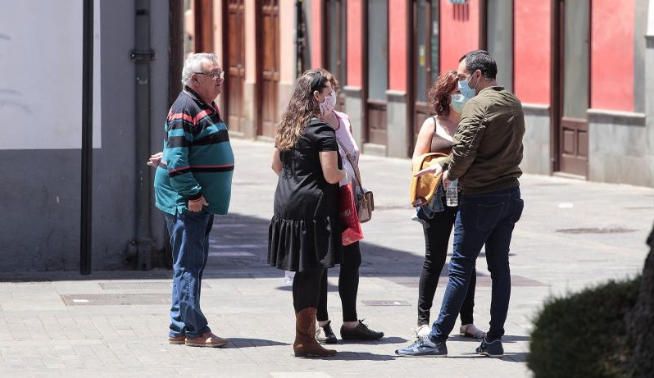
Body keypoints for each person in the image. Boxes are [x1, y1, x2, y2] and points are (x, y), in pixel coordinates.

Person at [396, 50, 525, 358]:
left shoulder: (476, 106)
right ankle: (494, 338)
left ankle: (436, 338)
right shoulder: (513, 102)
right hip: (509, 193)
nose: (462, 84)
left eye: (464, 77)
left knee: (459, 266)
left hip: (480, 197)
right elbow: (514, 147)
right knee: (499, 267)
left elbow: (463, 153)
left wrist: (447, 172)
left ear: (478, 76)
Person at [153, 52, 234, 348]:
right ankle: (195, 330)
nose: (221, 78)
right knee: (189, 265)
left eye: (221, 72)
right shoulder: (186, 107)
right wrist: (194, 194)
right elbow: (177, 158)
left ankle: (178, 328)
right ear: (195, 80)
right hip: (188, 202)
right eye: (215, 74)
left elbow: (183, 149)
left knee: (189, 264)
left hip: (196, 200)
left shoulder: (204, 105)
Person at [268, 70, 346, 358]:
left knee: (302, 272)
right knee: (311, 273)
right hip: (314, 209)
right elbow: (330, 173)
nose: (331, 98)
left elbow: (276, 166)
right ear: (316, 96)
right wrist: (344, 174)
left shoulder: (288, 124)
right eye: (327, 93)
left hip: (287, 204)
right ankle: (304, 339)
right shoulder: (322, 129)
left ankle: (304, 336)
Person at [411, 70, 484, 340]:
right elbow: (416, 160)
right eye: (455, 91)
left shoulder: (472, 122)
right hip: (437, 200)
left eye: (463, 90)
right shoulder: (433, 124)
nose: (461, 95)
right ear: (445, 95)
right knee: (435, 258)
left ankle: (467, 321)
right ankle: (422, 320)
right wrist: (438, 166)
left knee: (466, 259)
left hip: (467, 196)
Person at [314, 69, 384, 344]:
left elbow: (353, 159)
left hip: (348, 200)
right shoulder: (308, 124)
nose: (331, 97)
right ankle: (322, 323)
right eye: (327, 92)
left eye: (333, 91)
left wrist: (358, 187)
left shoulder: (343, 120)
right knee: (322, 262)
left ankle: (350, 322)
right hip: (323, 201)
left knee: (352, 260)